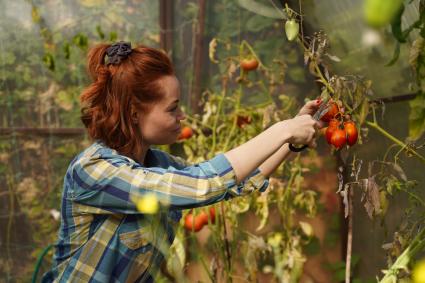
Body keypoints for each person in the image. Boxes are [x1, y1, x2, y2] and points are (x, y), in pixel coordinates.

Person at [41, 41, 322, 282]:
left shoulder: (157, 163)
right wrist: (282, 129)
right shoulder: (94, 171)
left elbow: (236, 183)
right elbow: (204, 183)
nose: (182, 116)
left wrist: (290, 142)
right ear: (134, 112)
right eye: (173, 108)